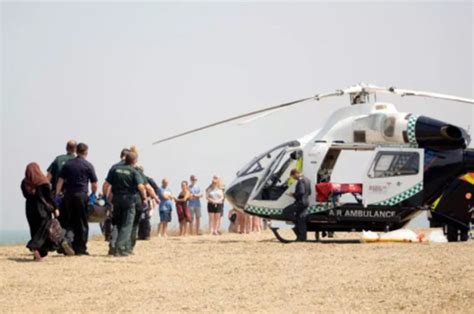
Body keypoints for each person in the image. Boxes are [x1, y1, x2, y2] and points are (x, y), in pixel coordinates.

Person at [21, 163, 74, 260]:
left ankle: (40, 253)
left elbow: (25, 195)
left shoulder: (24, 183)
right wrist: (55, 208)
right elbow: (49, 197)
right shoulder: (43, 182)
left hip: (30, 209)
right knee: (44, 230)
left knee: (35, 230)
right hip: (42, 210)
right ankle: (34, 246)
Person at [55, 143, 98, 255]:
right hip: (81, 196)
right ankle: (80, 248)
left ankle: (67, 242)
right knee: (82, 222)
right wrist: (93, 194)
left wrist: (57, 195)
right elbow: (94, 184)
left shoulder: (68, 164)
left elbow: (60, 181)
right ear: (86, 152)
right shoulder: (88, 165)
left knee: (69, 221)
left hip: (68, 196)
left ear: (76, 151)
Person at [103, 152, 147, 256]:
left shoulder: (114, 169)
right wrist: (144, 197)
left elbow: (106, 185)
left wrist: (106, 198)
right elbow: (141, 186)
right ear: (134, 161)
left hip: (116, 199)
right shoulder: (134, 171)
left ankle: (113, 246)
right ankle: (120, 248)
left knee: (117, 224)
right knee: (127, 225)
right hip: (129, 200)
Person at [288, 169, 311, 241]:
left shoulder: (300, 181)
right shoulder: (307, 180)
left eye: (293, 176)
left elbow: (301, 192)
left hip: (300, 202)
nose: (294, 178)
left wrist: (293, 194)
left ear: (296, 173)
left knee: (286, 212)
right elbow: (309, 192)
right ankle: (302, 237)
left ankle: (299, 235)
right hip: (306, 202)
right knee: (301, 220)